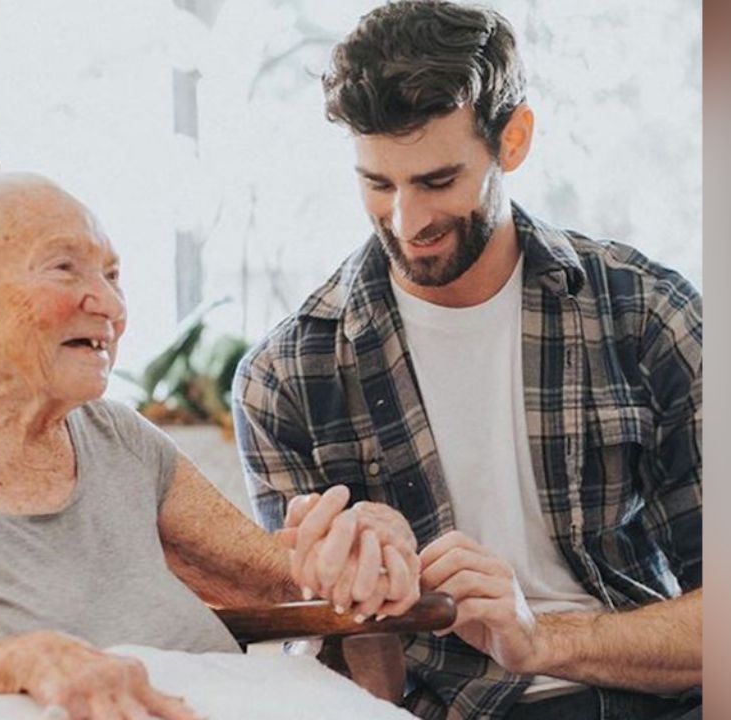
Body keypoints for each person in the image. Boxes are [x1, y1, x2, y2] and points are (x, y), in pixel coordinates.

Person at [0, 142, 421, 720]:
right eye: (63, 268)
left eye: (113, 274)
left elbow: (283, 580)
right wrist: (29, 660)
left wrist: (362, 544)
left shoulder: (118, 437)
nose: (110, 305)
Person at [233, 2, 702, 718]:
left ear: (513, 140)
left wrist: (539, 639)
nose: (407, 222)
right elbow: (350, 697)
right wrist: (366, 610)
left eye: (437, 181)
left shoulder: (646, 314)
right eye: (378, 184)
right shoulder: (287, 379)